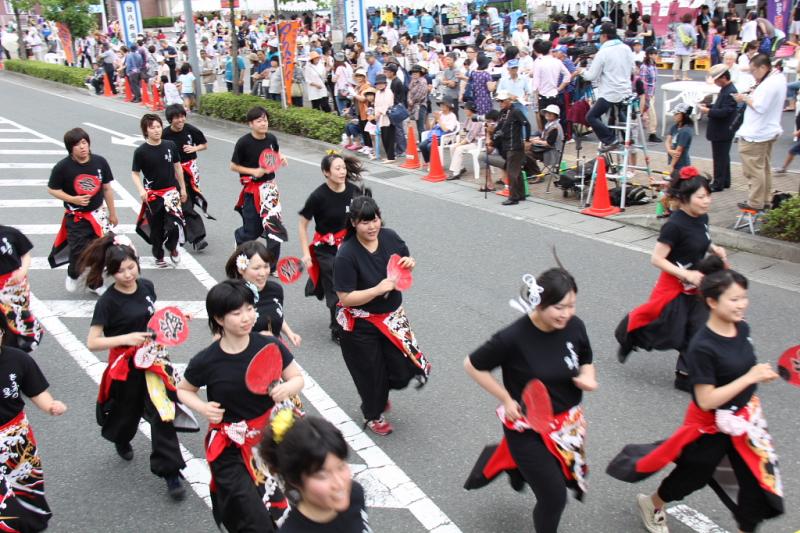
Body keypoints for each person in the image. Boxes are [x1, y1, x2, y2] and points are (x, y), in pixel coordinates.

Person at [608, 259, 784, 533]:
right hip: (709, 427)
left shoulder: (742, 328)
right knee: (694, 474)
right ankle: (652, 504)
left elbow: (742, 366)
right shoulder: (701, 346)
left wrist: (760, 375)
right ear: (711, 302)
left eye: (744, 297)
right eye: (734, 299)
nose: (742, 305)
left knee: (757, 493)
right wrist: (750, 377)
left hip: (745, 424)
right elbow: (706, 400)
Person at [463, 265, 597, 533]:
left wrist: (587, 376)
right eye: (559, 307)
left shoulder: (575, 326)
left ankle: (514, 466)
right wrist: (506, 398)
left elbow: (586, 358)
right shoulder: (513, 337)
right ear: (539, 303)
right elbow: (472, 365)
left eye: (571, 306)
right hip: (527, 429)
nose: (566, 313)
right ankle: (517, 461)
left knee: (564, 476)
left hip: (567, 426)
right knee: (554, 497)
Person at [177, 279, 304, 532]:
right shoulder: (207, 360)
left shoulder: (269, 345)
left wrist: (288, 388)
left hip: (272, 437)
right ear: (219, 319)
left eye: (250, 309)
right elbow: (183, 390)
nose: (247, 317)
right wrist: (203, 408)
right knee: (250, 514)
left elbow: (297, 378)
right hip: (231, 444)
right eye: (237, 313)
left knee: (286, 507)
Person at [82, 233, 187, 500]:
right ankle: (120, 436)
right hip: (125, 365)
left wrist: (174, 318)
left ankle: (170, 471)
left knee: (162, 411)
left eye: (131, 267)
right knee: (125, 413)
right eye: (121, 271)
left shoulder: (147, 286)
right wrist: (127, 338)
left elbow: (152, 317)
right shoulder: (107, 302)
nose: (128, 274)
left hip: (154, 359)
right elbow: (93, 342)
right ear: (111, 272)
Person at [616, 167, 728, 391]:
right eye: (701, 197)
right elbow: (657, 259)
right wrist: (686, 274)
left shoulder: (702, 217)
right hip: (674, 285)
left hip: (697, 284)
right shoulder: (674, 225)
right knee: (666, 328)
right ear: (685, 198)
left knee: (700, 327)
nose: (707, 201)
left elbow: (702, 239)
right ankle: (630, 335)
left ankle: (685, 375)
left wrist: (714, 249)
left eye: (708, 196)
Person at [333, 196, 431, 436]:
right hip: (361, 324)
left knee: (402, 368)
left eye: (375, 219)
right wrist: (377, 289)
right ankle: (373, 413)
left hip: (391, 318)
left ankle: (380, 393)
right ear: (353, 223)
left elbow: (404, 262)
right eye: (365, 222)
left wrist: (410, 263)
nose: (372, 226)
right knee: (370, 373)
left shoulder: (390, 237)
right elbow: (345, 298)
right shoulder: (346, 254)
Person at [0, 320, 67, 532]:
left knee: (27, 491)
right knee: (6, 510)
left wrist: (50, 405)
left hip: (16, 441)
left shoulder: (18, 359)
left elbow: (36, 391)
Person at [259, 414, 372, 532]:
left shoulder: (354, 494)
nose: (339, 483)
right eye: (322, 476)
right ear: (294, 480)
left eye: (341, 466)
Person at [298, 154, 368, 343]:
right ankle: (337, 328)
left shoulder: (354, 192)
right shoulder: (318, 196)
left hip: (350, 246)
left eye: (343, 168)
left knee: (358, 282)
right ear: (326, 172)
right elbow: (302, 224)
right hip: (326, 249)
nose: (342, 171)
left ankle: (357, 317)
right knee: (337, 288)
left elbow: (364, 219)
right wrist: (306, 254)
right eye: (337, 168)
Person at [47, 128, 118, 293]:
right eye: (77, 144)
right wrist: (73, 199)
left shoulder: (100, 162)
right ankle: (73, 274)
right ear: (70, 148)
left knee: (101, 250)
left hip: (98, 215)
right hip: (76, 217)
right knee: (79, 252)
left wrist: (113, 213)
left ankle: (95, 284)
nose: (82, 147)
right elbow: (52, 189)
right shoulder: (62, 167)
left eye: (84, 142)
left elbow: (107, 189)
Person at [230, 106, 289, 269]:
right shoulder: (244, 143)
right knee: (252, 231)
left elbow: (275, 154)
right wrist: (254, 171)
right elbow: (233, 166)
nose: (263, 123)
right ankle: (240, 237)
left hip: (270, 190)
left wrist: (281, 157)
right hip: (252, 189)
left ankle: (271, 265)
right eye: (259, 121)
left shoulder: (271, 139)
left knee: (274, 230)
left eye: (265, 120)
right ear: (251, 124)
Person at [132, 113, 187, 269]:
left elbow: (178, 167)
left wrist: (183, 188)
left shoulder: (170, 145)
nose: (156, 130)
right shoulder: (141, 151)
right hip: (153, 195)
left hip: (171, 192)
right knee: (156, 228)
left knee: (175, 224)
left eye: (158, 126)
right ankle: (158, 254)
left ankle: (172, 246)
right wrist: (141, 190)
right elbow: (135, 173)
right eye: (152, 128)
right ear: (146, 131)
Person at [733, 54, 787, 211]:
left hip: (756, 133)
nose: (752, 74)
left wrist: (745, 98)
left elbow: (760, 107)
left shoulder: (769, 84)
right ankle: (764, 199)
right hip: (768, 131)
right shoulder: (778, 78)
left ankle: (755, 202)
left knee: (754, 171)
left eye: (753, 71)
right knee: (764, 168)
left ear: (763, 67)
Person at [575, 22, 635, 152]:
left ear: (604, 36)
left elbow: (591, 76)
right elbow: (633, 69)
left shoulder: (603, 52)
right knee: (617, 112)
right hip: (625, 92)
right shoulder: (626, 48)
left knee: (591, 117)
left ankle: (610, 140)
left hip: (609, 93)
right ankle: (628, 137)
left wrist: (581, 71)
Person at [161, 104, 211, 252]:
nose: (181, 120)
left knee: (190, 199)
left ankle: (181, 227)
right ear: (170, 119)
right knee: (184, 202)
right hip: (174, 172)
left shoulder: (190, 130)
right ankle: (197, 238)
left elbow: (204, 145)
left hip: (190, 170)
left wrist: (194, 148)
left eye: (182, 116)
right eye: (177, 117)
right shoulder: (165, 134)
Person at [0, 225, 43, 353]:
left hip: (12, 286)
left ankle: (14, 352)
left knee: (14, 320)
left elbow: (25, 254)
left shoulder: (9, 233)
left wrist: (23, 270)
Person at [698, 64, 738, 191]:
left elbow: (724, 112)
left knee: (719, 158)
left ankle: (718, 183)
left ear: (724, 78)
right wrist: (709, 106)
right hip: (723, 130)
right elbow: (720, 106)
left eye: (716, 79)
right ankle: (725, 181)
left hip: (722, 130)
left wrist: (708, 111)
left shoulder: (730, 91)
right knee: (724, 156)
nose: (715, 82)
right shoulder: (727, 89)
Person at [494, 91, 531, 205]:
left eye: (502, 101)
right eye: (499, 101)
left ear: (508, 101)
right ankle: (521, 194)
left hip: (515, 145)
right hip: (506, 145)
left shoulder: (516, 111)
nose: (500, 103)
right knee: (516, 171)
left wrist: (527, 140)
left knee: (512, 172)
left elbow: (527, 124)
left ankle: (513, 197)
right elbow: (499, 127)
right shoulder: (502, 113)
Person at [447, 102, 485, 180]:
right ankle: (460, 168)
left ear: (471, 110)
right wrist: (459, 140)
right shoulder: (468, 119)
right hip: (469, 142)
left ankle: (456, 173)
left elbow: (471, 136)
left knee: (459, 148)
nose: (464, 110)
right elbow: (463, 131)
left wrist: (460, 144)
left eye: (465, 109)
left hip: (477, 143)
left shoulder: (476, 120)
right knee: (452, 147)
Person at [526, 104, 563, 180]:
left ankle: (537, 175)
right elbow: (544, 137)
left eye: (550, 113)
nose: (547, 114)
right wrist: (533, 140)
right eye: (547, 112)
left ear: (555, 115)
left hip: (552, 152)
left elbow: (548, 143)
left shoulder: (555, 127)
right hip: (546, 149)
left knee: (527, 154)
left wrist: (536, 141)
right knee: (524, 150)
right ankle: (530, 173)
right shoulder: (549, 124)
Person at [419, 100, 458, 169]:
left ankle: (434, 163)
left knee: (430, 146)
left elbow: (446, 130)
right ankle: (429, 162)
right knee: (422, 145)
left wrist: (439, 120)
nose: (441, 106)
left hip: (445, 137)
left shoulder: (452, 116)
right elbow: (431, 128)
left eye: (443, 105)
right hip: (434, 136)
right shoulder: (440, 114)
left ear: (448, 106)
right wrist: (435, 119)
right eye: (441, 105)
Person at [665, 103, 694, 176]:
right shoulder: (675, 126)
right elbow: (667, 140)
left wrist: (671, 166)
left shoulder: (685, 131)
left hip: (682, 165)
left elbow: (678, 151)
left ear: (683, 115)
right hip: (674, 161)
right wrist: (669, 150)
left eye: (676, 114)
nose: (674, 115)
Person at [639, 47, 662, 143]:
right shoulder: (645, 67)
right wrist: (645, 96)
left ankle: (651, 133)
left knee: (648, 114)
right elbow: (643, 82)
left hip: (651, 93)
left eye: (656, 53)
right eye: (654, 54)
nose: (656, 55)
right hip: (646, 94)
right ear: (649, 55)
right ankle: (652, 134)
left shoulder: (653, 65)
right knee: (651, 115)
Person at [373, 74, 396, 163]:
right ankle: (388, 156)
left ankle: (391, 157)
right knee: (384, 137)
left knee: (389, 137)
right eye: (378, 84)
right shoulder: (377, 93)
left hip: (388, 117)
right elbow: (376, 105)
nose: (379, 85)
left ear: (385, 83)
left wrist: (379, 112)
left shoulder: (389, 92)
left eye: (381, 83)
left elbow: (389, 104)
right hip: (381, 118)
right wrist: (376, 114)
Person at [673, 13, 696, 81]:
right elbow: (694, 38)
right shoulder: (690, 27)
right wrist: (693, 44)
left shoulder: (679, 27)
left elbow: (675, 37)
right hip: (686, 48)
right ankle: (685, 76)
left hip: (678, 47)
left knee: (677, 62)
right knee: (686, 62)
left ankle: (675, 76)